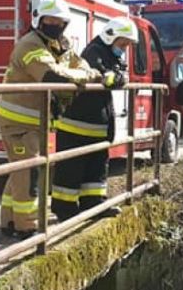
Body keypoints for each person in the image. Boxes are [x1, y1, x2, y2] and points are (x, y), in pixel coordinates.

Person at [0, 0, 102, 239]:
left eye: (59, 21)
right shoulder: (30, 45)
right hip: (19, 123)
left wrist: (85, 73)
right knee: (30, 174)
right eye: (49, 20)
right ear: (39, 20)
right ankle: (27, 227)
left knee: (21, 173)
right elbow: (53, 76)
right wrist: (88, 76)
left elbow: (81, 65)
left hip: (38, 122)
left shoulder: (60, 44)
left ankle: (10, 220)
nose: (54, 24)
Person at [50, 17, 137, 220]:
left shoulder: (110, 55)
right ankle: (65, 209)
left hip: (95, 126)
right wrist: (115, 77)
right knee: (70, 170)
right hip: (76, 126)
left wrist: (119, 76)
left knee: (96, 169)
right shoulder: (93, 52)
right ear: (110, 37)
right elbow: (104, 77)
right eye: (122, 44)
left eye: (126, 45)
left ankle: (94, 205)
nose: (123, 49)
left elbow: (119, 75)